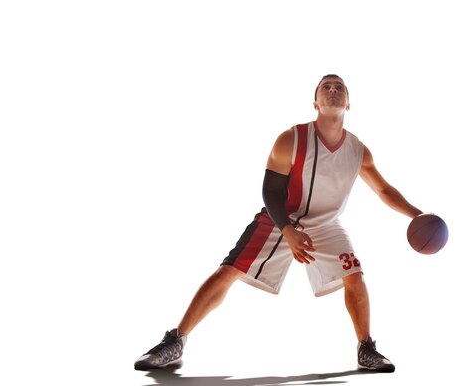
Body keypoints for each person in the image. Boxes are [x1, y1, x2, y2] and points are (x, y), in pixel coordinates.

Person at [134, 74, 423, 373]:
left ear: (349, 104)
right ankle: (175, 341)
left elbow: (384, 190)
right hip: (281, 218)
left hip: (326, 225)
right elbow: (270, 191)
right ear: (316, 103)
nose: (333, 90)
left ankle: (366, 348)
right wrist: (288, 230)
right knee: (228, 271)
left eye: (340, 88)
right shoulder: (291, 139)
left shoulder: (358, 150)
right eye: (326, 87)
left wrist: (417, 215)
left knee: (355, 276)